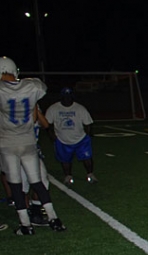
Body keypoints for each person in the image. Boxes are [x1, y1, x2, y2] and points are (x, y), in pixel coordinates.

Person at [0, 56, 66, 234]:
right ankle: (54, 219)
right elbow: (37, 111)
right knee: (38, 183)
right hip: (28, 142)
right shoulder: (32, 86)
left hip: (8, 143)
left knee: (16, 186)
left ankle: (25, 225)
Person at [45, 87, 96, 184]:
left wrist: (87, 136)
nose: (67, 99)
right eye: (65, 97)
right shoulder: (53, 109)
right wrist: (51, 135)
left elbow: (88, 123)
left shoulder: (79, 108)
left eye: (69, 97)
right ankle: (68, 176)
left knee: (87, 157)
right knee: (65, 159)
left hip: (80, 139)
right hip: (62, 139)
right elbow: (47, 124)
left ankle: (90, 174)